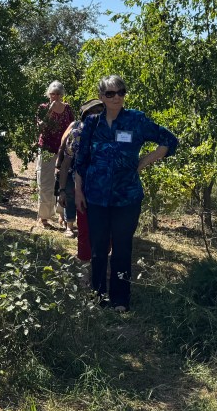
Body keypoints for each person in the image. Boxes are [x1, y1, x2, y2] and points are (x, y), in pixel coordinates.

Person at [73, 75, 178, 312]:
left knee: (122, 249)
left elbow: (169, 140)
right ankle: (98, 296)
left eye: (121, 92)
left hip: (126, 197)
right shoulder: (92, 124)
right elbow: (81, 160)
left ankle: (120, 299)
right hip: (96, 197)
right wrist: (78, 191)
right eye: (110, 93)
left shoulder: (136, 120)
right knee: (98, 249)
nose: (116, 97)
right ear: (101, 97)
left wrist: (142, 163)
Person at [57, 98, 104, 254]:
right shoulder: (77, 134)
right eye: (93, 112)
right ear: (85, 116)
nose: (97, 115)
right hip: (80, 184)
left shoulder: (111, 133)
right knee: (84, 225)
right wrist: (62, 190)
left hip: (105, 188)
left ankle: (100, 258)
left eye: (100, 111)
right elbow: (66, 163)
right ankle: (85, 258)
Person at [36, 81, 74, 229]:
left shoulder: (67, 108)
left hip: (63, 151)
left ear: (62, 95)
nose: (55, 97)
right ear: (49, 94)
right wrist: (50, 111)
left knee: (63, 184)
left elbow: (72, 128)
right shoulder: (42, 108)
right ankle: (44, 217)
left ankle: (62, 215)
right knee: (46, 183)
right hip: (47, 150)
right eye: (53, 94)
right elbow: (40, 127)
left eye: (58, 94)